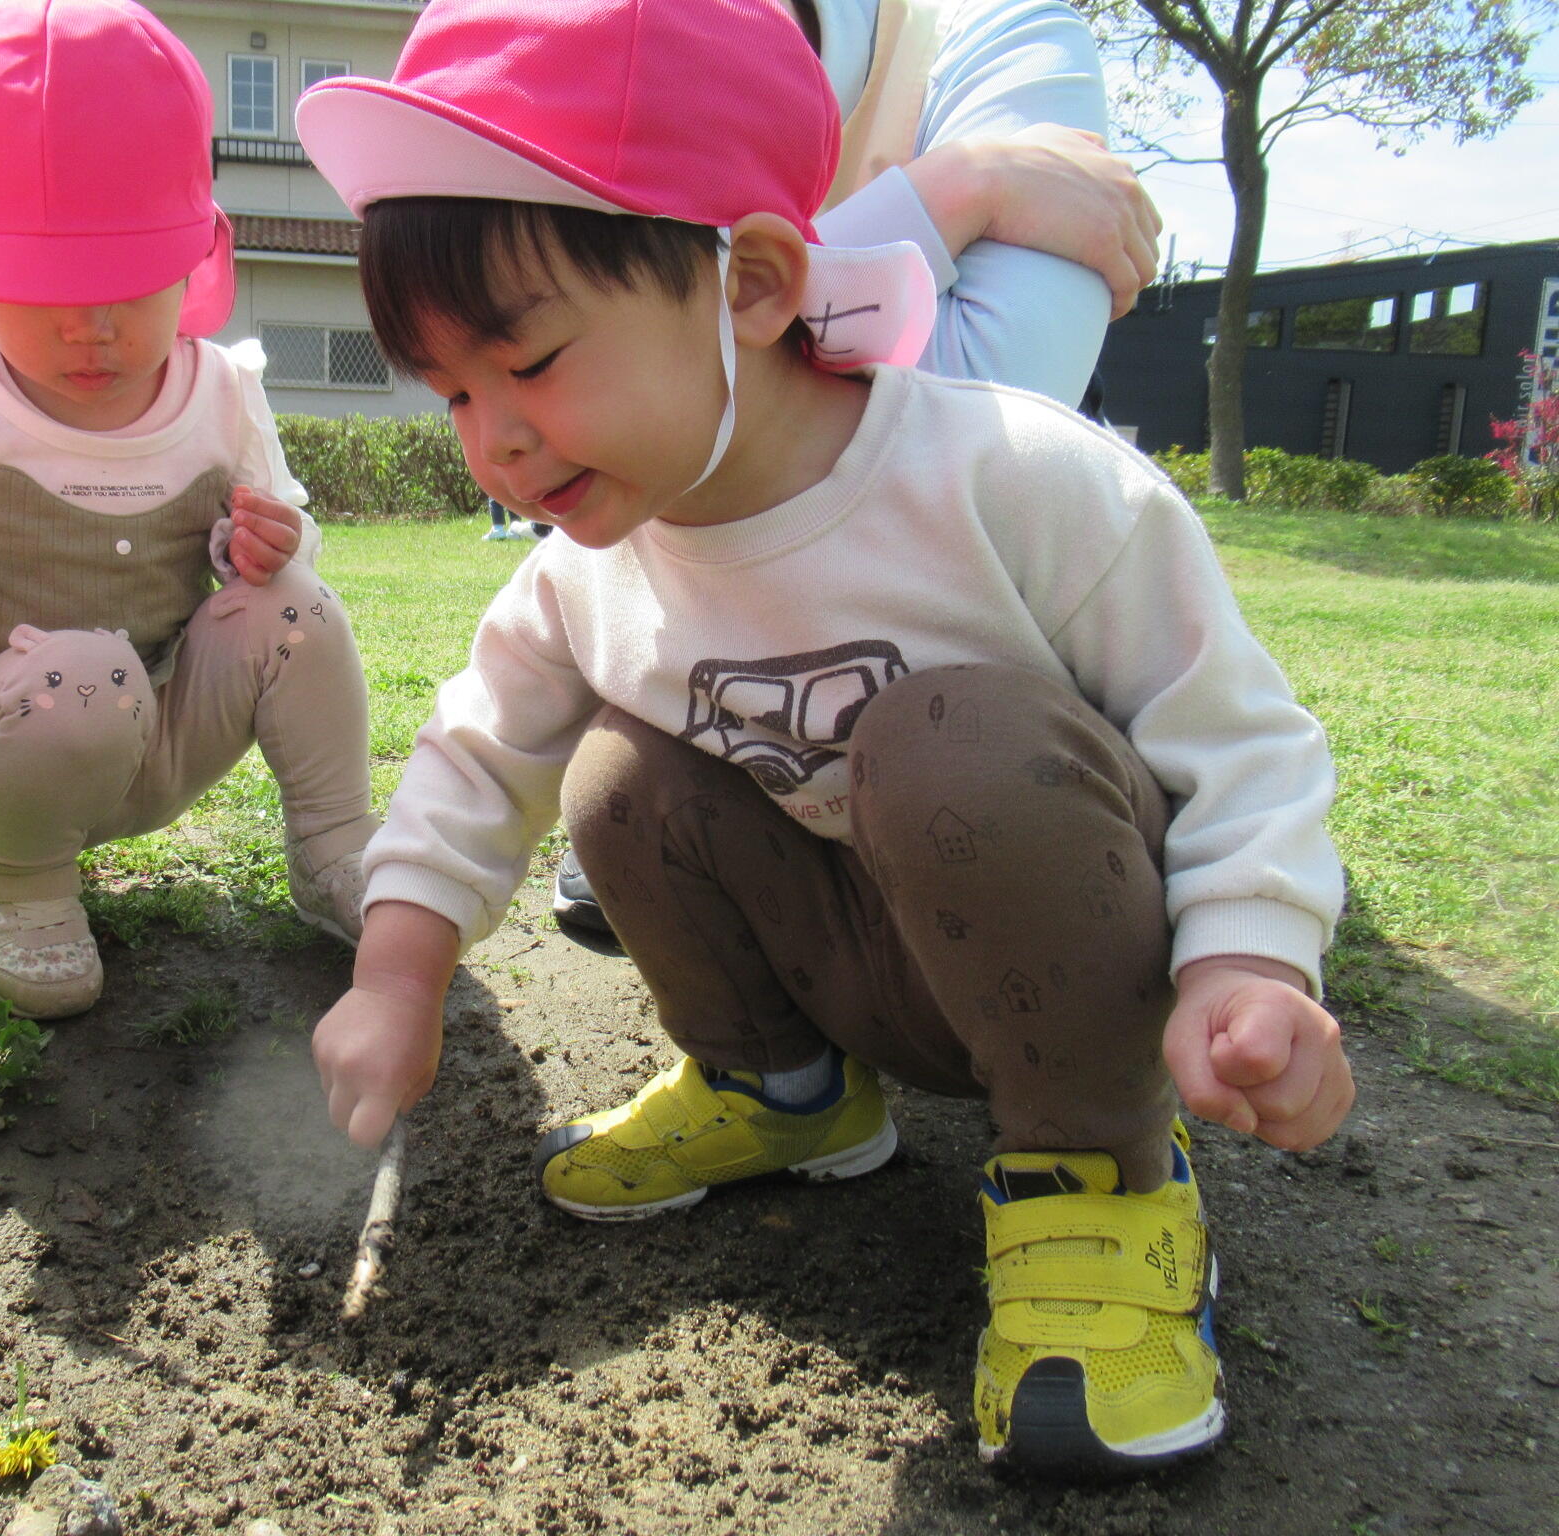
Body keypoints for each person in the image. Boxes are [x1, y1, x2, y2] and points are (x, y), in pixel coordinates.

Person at [296, 0, 1352, 1478]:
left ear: (753, 282)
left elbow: (1235, 738)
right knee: (618, 772)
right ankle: (783, 1092)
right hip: (866, 961)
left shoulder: (1012, 479)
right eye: (456, 394)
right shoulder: (588, 570)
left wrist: (1249, 961)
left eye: (528, 364)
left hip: (1073, 965)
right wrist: (398, 971)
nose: (494, 442)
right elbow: (475, 758)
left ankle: (1100, 1183)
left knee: (954, 735)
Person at [0, 0, 377, 1020]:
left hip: (165, 722)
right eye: (45, 290)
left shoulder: (219, 391)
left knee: (300, 608)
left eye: (127, 284)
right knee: (82, 672)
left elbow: (278, 541)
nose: (91, 331)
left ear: (187, 261)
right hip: (9, 730)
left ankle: (334, 847)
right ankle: (18, 884)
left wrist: (265, 543)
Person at [547, 0, 1160, 936]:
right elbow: (590, 357)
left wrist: (735, 301)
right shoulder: (581, 45)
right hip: (734, 622)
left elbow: (978, 404)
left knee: (954, 750)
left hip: (995, 628)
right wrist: (949, 195)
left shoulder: (995, 31)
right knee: (628, 771)